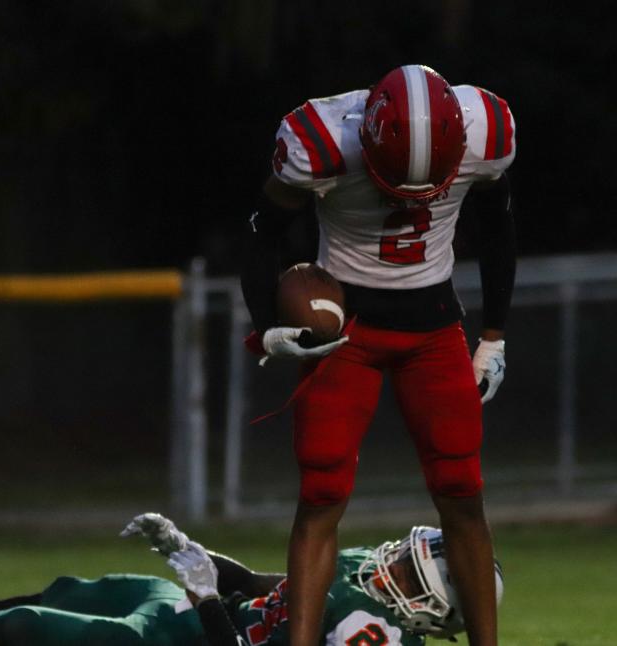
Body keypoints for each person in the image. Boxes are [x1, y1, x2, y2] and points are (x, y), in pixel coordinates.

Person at [240, 65, 516, 645]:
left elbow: (498, 227)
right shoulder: (322, 141)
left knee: (463, 492)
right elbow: (262, 228)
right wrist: (266, 327)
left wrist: (494, 333)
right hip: (347, 336)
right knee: (320, 495)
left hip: (434, 330)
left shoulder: (485, 129)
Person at [0, 512, 504, 645]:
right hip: (206, 625)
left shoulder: (375, 636)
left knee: (25, 629)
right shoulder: (360, 579)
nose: (390, 563)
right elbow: (265, 585)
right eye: (403, 555)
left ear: (433, 608)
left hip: (204, 645)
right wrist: (189, 551)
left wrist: (208, 599)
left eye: (407, 570)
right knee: (84, 587)